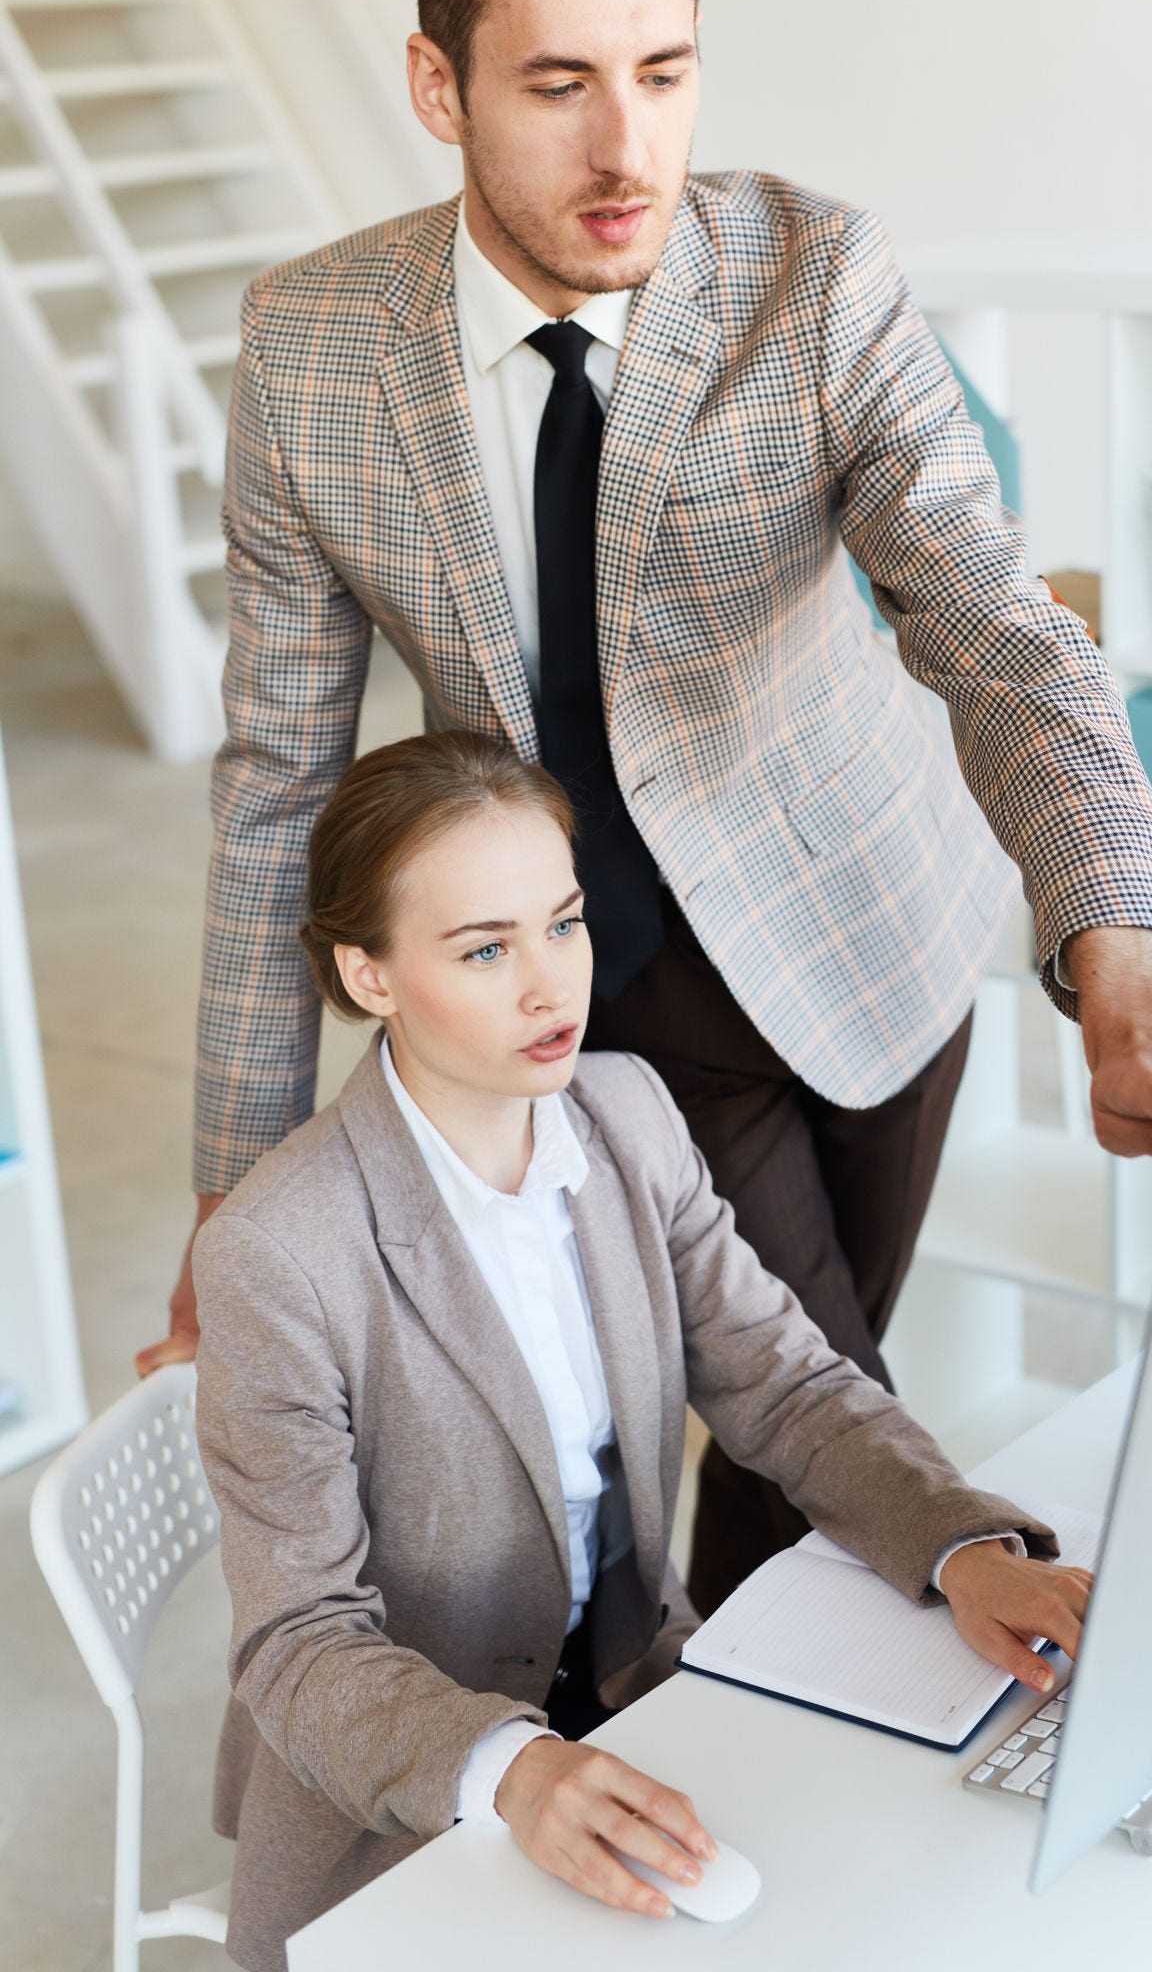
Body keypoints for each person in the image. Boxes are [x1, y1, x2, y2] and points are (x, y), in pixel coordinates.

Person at [140, 0, 1152, 1610]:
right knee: (814, 1418)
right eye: (560, 83)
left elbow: (998, 633)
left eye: (663, 73)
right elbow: (279, 782)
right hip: (614, 984)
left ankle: (731, 1748)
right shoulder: (311, 352)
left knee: (799, 1413)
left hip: (881, 933)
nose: (626, 152)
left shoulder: (811, 281)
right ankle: (747, 1774)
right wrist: (235, 1184)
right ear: (438, 85)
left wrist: (1126, 971)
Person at [194, 729, 1094, 1972]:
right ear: (369, 973)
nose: (550, 985)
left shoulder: (625, 1115)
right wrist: (514, 1770)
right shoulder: (280, 1252)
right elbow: (296, 1643)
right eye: (485, 947)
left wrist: (962, 1541)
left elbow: (786, 1380)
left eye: (562, 923)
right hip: (411, 1796)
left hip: (639, 1696)